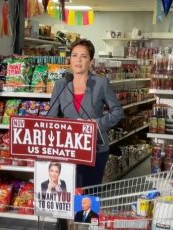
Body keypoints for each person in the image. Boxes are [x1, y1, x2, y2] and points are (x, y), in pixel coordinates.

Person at [48, 39, 124, 187]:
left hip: (95, 149)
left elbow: (117, 111)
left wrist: (98, 123)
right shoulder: (61, 84)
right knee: (68, 193)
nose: (78, 60)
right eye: (75, 55)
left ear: (91, 61)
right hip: (68, 149)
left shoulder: (101, 83)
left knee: (90, 195)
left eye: (83, 56)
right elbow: (51, 116)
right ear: (69, 59)